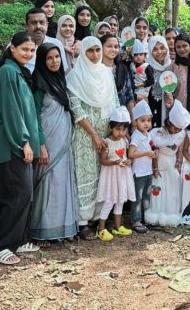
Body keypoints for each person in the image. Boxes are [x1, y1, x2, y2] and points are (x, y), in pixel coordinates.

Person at [0, 32, 41, 265]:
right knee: (17, 194)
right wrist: (23, 141)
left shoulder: (16, 71)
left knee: (23, 194)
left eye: (31, 50)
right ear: (12, 48)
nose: (28, 53)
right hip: (10, 146)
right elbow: (11, 111)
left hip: (17, 144)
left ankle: (15, 240)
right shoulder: (7, 72)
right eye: (24, 49)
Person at [67, 36, 120, 235]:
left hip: (106, 135)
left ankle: (99, 217)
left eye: (98, 50)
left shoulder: (106, 73)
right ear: (83, 52)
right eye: (90, 50)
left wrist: (112, 135)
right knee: (85, 174)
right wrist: (95, 135)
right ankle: (82, 220)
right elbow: (77, 110)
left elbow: (114, 102)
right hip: (84, 136)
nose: (95, 54)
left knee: (103, 174)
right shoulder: (74, 76)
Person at [30, 44, 78, 245]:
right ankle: (41, 230)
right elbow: (34, 117)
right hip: (48, 143)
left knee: (62, 183)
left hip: (64, 142)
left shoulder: (61, 81)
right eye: (49, 58)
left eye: (57, 57)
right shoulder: (39, 84)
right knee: (47, 184)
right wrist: (40, 145)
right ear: (42, 61)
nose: (55, 61)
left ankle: (62, 227)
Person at [146, 100, 190, 227]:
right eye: (175, 128)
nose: (177, 131)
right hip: (160, 163)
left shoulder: (180, 134)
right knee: (159, 186)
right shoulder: (157, 133)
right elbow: (155, 150)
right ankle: (156, 213)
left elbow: (178, 148)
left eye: (179, 129)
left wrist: (178, 160)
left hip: (171, 163)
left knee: (173, 187)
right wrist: (155, 167)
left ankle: (171, 213)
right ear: (169, 123)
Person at [95, 106, 135, 241]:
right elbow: (103, 161)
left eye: (124, 129)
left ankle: (118, 227)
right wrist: (115, 162)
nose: (121, 132)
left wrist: (128, 161)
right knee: (110, 200)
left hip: (122, 174)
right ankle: (101, 229)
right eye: (118, 129)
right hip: (112, 175)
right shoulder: (107, 143)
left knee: (120, 200)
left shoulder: (124, 141)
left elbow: (127, 156)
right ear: (111, 128)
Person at [128, 100, 156, 234]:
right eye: (143, 120)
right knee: (138, 197)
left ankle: (146, 218)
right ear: (135, 122)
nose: (146, 123)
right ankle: (136, 220)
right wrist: (147, 153)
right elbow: (131, 153)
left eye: (149, 120)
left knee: (146, 195)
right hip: (138, 172)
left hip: (147, 171)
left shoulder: (148, 134)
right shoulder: (136, 136)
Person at [24, 8, 69, 73]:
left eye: (42, 22)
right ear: (27, 26)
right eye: (34, 23)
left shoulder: (56, 44)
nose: (38, 26)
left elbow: (63, 70)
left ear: (47, 25)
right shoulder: (18, 45)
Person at [101, 34, 135, 110]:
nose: (113, 49)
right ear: (101, 47)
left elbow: (129, 96)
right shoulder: (96, 69)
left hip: (120, 116)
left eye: (116, 47)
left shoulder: (122, 68)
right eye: (109, 46)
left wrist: (132, 119)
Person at [147, 35, 174, 126]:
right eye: (155, 49)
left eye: (162, 48)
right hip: (152, 112)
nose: (159, 52)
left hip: (171, 110)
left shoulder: (173, 66)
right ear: (150, 51)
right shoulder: (147, 68)